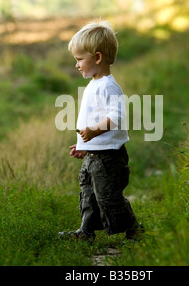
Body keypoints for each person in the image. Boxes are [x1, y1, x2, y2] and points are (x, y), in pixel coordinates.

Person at [59, 20, 144, 242]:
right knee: (88, 193)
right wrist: (83, 145)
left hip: (109, 157)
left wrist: (93, 134)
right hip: (95, 154)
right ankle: (85, 231)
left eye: (79, 60)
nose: (77, 65)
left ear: (97, 58)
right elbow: (92, 118)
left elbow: (115, 118)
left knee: (107, 196)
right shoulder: (94, 84)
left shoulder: (108, 86)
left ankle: (134, 227)